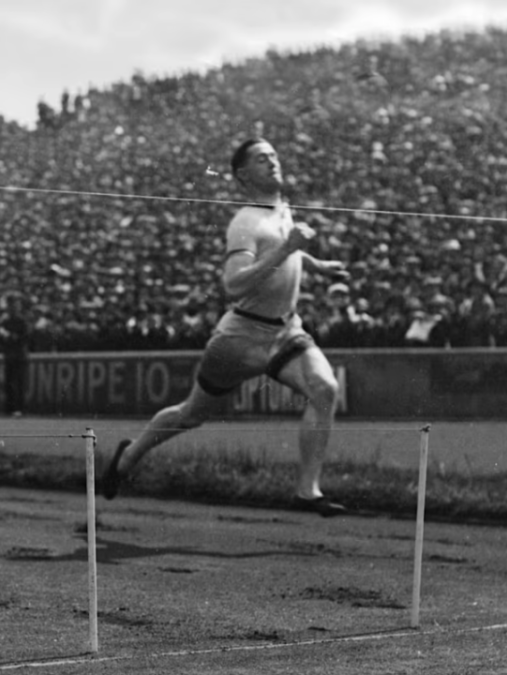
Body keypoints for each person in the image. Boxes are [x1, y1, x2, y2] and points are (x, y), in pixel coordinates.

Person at [99, 138, 350, 517]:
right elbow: (233, 284)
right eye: (261, 158)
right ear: (242, 175)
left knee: (325, 388)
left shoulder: (282, 208)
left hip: (285, 329)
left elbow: (283, 247)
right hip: (241, 338)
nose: (272, 161)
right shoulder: (244, 223)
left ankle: (307, 491)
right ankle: (128, 456)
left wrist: (316, 264)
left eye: (273, 155)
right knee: (191, 414)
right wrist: (289, 249)